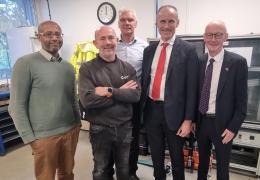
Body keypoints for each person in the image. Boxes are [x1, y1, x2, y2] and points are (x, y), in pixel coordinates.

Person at [8, 20, 81, 180]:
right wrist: (31, 139)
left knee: (67, 174)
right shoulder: (25, 63)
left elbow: (72, 99)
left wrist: (77, 124)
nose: (54, 38)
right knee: (45, 177)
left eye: (57, 34)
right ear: (39, 37)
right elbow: (16, 106)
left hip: (70, 131)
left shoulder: (68, 67)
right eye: (48, 34)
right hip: (44, 137)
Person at [140, 5, 199, 180]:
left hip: (176, 115)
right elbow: (145, 80)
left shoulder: (188, 50)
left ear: (177, 23)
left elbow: (192, 88)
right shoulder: (149, 50)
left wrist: (189, 120)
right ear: (156, 22)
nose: (166, 26)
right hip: (151, 110)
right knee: (156, 158)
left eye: (170, 21)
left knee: (177, 160)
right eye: (162, 21)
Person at [78, 26, 141, 180]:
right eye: (103, 38)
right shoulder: (87, 69)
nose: (107, 42)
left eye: (111, 38)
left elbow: (135, 95)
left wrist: (109, 91)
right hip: (100, 129)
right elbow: (88, 101)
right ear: (95, 43)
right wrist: (121, 92)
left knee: (124, 170)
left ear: (117, 40)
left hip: (124, 128)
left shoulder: (128, 68)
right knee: (101, 171)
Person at [195, 20, 248, 180]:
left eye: (218, 35)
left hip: (224, 126)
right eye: (209, 35)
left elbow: (242, 101)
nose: (213, 39)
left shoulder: (237, 63)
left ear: (225, 37)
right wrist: (193, 119)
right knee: (201, 163)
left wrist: (233, 128)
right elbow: (195, 93)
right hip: (202, 122)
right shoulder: (200, 61)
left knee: (223, 168)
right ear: (204, 37)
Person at [116, 8, 148, 180]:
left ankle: (131, 172)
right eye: (123, 20)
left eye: (130, 20)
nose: (127, 23)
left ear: (136, 23)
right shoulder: (111, 44)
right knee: (115, 138)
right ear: (119, 23)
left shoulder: (145, 47)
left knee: (133, 138)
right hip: (113, 100)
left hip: (135, 102)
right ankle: (117, 171)